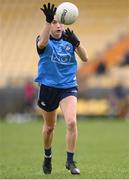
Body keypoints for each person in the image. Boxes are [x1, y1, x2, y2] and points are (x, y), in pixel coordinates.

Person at [34, 3, 88, 175]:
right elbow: (42, 44)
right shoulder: (43, 38)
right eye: (54, 22)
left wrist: (77, 43)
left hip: (67, 86)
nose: (58, 26)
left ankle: (70, 161)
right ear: (50, 24)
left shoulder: (68, 38)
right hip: (48, 87)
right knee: (50, 127)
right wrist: (47, 20)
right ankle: (47, 156)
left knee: (71, 121)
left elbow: (85, 58)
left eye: (60, 23)